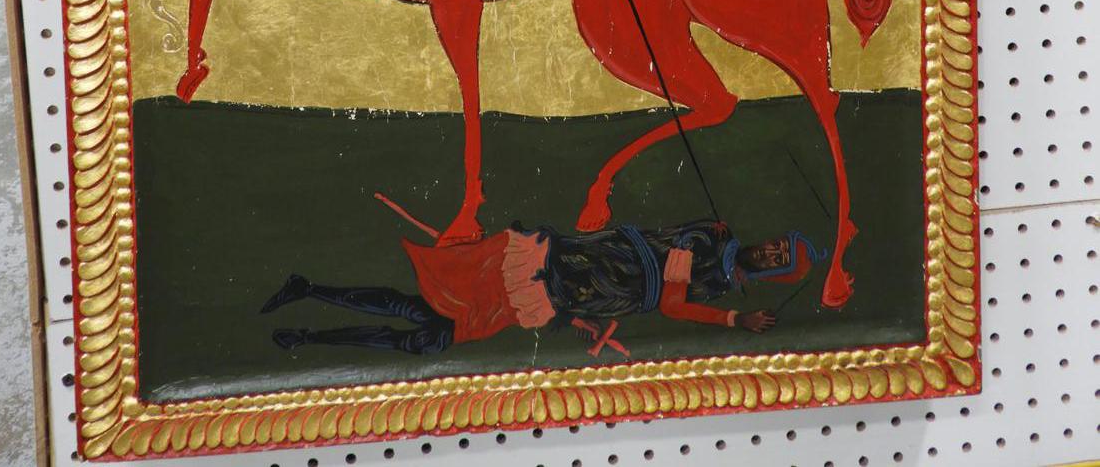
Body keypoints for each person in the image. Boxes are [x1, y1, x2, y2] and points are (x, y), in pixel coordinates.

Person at [262, 218, 819, 355]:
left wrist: (580, 318)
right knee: (418, 312)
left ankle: (308, 329)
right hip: (577, 266)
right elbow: (672, 304)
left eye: (778, 260)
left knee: (424, 336)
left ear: (771, 274)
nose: (770, 252)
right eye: (777, 245)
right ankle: (308, 294)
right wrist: (733, 322)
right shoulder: (706, 238)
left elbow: (668, 300)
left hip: (573, 294)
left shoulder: (720, 280)